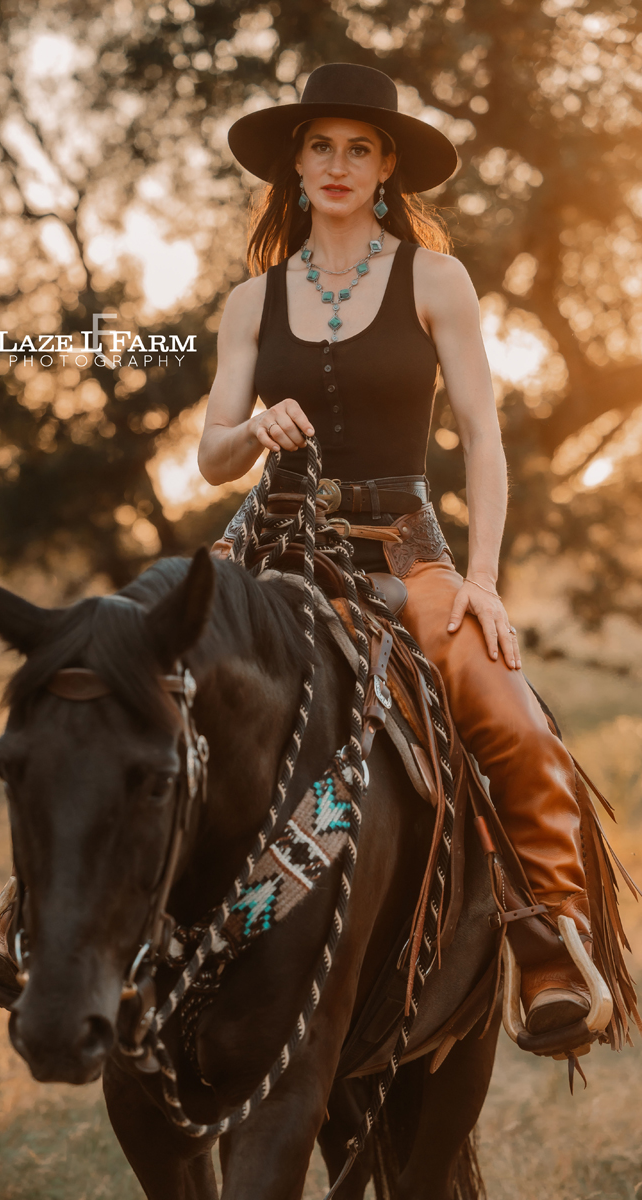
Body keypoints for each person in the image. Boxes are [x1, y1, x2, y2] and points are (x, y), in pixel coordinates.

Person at [197, 61, 607, 1041]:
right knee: (133, 669)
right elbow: (211, 456)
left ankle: (551, 939)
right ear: (296, 165)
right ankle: (36, 920)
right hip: (271, 547)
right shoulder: (251, 301)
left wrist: (481, 580)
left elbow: (483, 437)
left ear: (386, 169)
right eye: (319, 146)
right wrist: (254, 429)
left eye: (359, 148)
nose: (337, 164)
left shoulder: (434, 278)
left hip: (401, 551)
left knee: (505, 710)